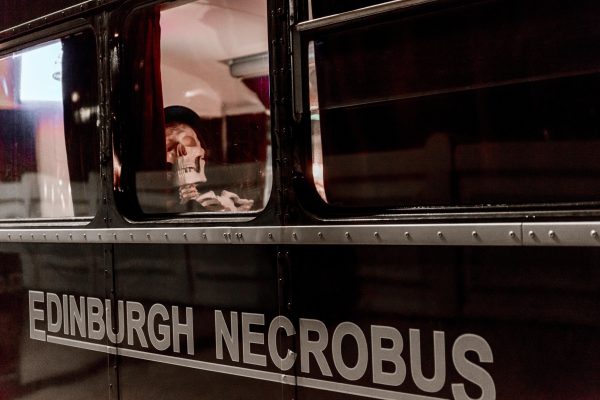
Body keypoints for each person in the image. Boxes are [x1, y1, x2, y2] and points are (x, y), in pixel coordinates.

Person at [164, 105, 253, 211]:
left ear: (202, 152)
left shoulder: (228, 185)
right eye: (169, 147)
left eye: (189, 142)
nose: (182, 151)